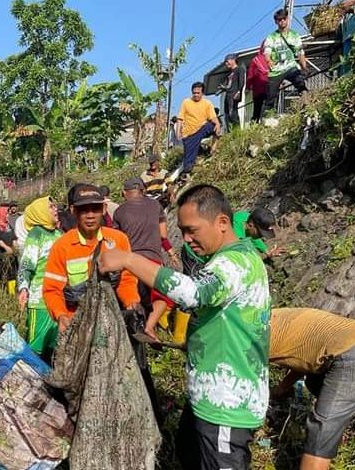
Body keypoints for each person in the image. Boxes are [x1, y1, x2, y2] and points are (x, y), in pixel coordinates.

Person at [98, 184, 271, 470]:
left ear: (223, 223)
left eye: (193, 230)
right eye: (183, 231)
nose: (187, 239)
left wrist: (129, 259)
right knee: (188, 454)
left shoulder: (235, 263)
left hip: (226, 406)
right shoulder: (224, 261)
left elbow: (192, 293)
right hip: (207, 396)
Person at [269, 307, 355, 470]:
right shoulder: (271, 316)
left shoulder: (245, 337)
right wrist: (282, 388)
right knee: (313, 382)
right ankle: (334, 438)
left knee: (323, 426)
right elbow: (302, 354)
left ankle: (323, 448)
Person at [42, 183, 140, 334]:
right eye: (84, 210)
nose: (90, 215)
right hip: (76, 326)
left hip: (112, 323)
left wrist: (131, 301)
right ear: (74, 211)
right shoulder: (62, 246)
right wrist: (61, 315)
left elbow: (126, 280)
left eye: (95, 209)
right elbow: (52, 290)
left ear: (104, 210)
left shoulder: (118, 240)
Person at [113, 177, 179, 341]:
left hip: (131, 262)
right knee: (162, 296)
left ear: (124, 193)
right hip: (153, 260)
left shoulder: (120, 211)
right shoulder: (156, 206)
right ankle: (150, 326)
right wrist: (171, 254)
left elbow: (116, 239)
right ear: (143, 191)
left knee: (132, 297)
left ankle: (133, 331)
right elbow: (163, 235)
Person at [16, 196, 62, 361]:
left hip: (59, 300)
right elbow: (27, 265)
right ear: (41, 212)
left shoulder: (59, 234)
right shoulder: (36, 234)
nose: (55, 209)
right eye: (50, 207)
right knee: (36, 348)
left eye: (54, 206)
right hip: (40, 300)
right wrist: (23, 288)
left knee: (55, 347)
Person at [181, 206, 284, 277]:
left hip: (209, 252)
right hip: (194, 254)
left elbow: (253, 238)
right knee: (196, 290)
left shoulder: (246, 218)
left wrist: (267, 252)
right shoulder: (233, 236)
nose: (262, 237)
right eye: (261, 234)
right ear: (251, 225)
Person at [264, 9, 308, 114]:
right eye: (279, 20)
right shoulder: (271, 37)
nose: (282, 21)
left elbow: (300, 52)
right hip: (276, 69)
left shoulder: (294, 35)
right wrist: (268, 60)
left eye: (284, 19)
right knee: (270, 96)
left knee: (300, 82)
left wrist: (304, 67)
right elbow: (267, 51)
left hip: (290, 66)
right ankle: (268, 119)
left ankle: (307, 105)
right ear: (276, 22)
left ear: (287, 19)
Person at [177, 82, 222, 176]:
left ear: (202, 93)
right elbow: (180, 119)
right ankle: (187, 171)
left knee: (216, 125)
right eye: (194, 93)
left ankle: (213, 148)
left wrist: (217, 124)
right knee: (188, 161)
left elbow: (213, 117)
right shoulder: (186, 102)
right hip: (189, 134)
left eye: (198, 93)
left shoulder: (207, 103)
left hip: (201, 129)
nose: (196, 95)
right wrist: (178, 133)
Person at [218, 53, 246, 130]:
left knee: (233, 113)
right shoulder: (229, 73)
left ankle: (237, 131)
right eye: (225, 62)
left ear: (233, 60)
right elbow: (229, 85)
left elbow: (241, 82)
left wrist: (239, 92)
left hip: (234, 95)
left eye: (227, 61)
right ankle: (230, 132)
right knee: (226, 115)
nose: (226, 64)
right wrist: (223, 87)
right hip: (228, 95)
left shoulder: (240, 69)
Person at [247, 41, 271, 123]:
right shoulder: (272, 58)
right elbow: (250, 75)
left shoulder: (256, 60)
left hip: (262, 89)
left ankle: (256, 126)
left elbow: (250, 76)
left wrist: (247, 88)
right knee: (267, 109)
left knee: (258, 110)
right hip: (267, 88)